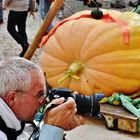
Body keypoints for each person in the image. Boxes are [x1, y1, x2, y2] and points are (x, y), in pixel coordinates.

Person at [0, 57, 85, 140]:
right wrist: (53, 129)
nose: (44, 101)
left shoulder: (15, 117)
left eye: (45, 94)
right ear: (12, 98)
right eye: (39, 95)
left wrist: (53, 121)